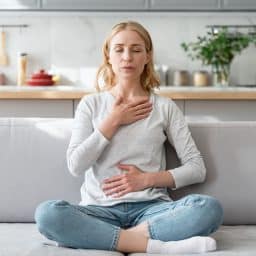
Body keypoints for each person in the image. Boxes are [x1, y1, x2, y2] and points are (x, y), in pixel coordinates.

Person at [35, 21, 223, 254]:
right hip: (99, 210)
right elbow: (76, 165)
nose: (127, 57)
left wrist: (147, 180)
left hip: (152, 211)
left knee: (208, 208)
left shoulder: (164, 107)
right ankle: (158, 247)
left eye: (136, 49)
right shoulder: (91, 104)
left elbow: (197, 168)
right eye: (119, 49)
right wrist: (112, 121)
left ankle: (105, 238)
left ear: (147, 56)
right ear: (108, 55)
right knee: (47, 214)